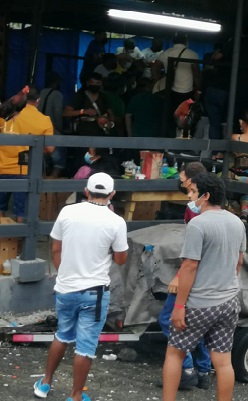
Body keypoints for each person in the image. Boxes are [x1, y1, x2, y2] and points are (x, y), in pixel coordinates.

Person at [33, 173, 128, 401]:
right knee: (85, 347)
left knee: (62, 335)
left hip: (65, 288)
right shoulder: (116, 222)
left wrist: (64, 273)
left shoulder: (68, 212)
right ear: (112, 194)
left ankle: (45, 383)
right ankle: (75, 395)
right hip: (94, 293)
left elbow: (56, 249)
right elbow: (121, 259)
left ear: (86, 191)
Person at [162, 171, 245, 401]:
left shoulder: (198, 225)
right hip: (228, 302)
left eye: (193, 191)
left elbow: (189, 266)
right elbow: (239, 262)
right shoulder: (237, 223)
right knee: (223, 362)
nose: (190, 195)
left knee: (174, 354)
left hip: (199, 303)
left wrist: (179, 306)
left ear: (206, 196)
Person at [157, 161, 213, 390]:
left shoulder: (195, 211)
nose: (184, 190)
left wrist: (179, 276)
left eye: (186, 185)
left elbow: (193, 255)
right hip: (208, 278)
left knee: (169, 319)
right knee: (197, 324)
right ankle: (202, 370)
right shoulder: (220, 215)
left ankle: (186, 369)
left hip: (193, 274)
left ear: (194, 183)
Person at [0, 86, 55, 223]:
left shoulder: (5, 114)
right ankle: (19, 242)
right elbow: (50, 149)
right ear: (38, 100)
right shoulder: (44, 120)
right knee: (21, 211)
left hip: (1, 167)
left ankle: (2, 242)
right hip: (25, 170)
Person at [153, 33, 200, 138]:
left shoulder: (166, 53)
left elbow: (155, 68)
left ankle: (169, 142)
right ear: (186, 42)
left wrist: (158, 81)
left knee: (171, 118)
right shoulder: (192, 54)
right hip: (187, 92)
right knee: (187, 118)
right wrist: (198, 90)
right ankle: (184, 142)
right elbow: (196, 75)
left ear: (173, 41)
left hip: (170, 91)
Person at [38, 71, 66, 177]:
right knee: (59, 159)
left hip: (39, 130)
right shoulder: (57, 94)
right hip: (53, 129)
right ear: (56, 82)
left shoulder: (40, 93)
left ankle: (41, 179)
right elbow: (58, 112)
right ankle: (52, 181)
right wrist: (60, 128)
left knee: (41, 158)